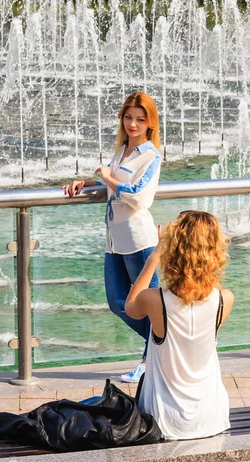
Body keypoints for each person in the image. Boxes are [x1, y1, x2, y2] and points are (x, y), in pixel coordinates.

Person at [62, 92, 162, 383]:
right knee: (118, 302)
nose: (133, 124)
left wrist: (106, 178)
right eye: (128, 117)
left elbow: (138, 197)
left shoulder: (150, 157)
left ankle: (150, 359)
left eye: (140, 119)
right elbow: (115, 178)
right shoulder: (122, 151)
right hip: (114, 240)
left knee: (147, 305)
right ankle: (165, 341)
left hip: (139, 241)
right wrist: (87, 182)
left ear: (150, 123)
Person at [124, 211, 235, 440]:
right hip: (212, 417)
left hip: (164, 421)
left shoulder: (155, 300)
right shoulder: (224, 299)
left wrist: (154, 256)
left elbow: (130, 307)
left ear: (173, 250)